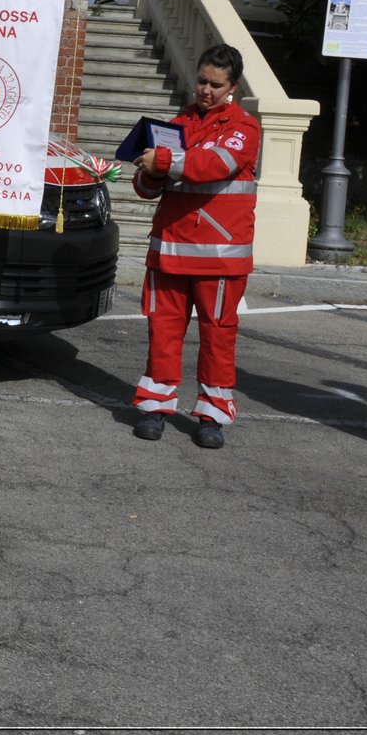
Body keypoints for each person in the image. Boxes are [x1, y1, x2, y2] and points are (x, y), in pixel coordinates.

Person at [130, 43, 259, 449]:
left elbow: (214, 166)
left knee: (218, 337)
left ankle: (212, 415)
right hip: (169, 250)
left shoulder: (244, 127)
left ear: (232, 86)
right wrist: (148, 173)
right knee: (162, 332)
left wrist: (163, 162)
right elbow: (146, 186)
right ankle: (155, 406)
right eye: (201, 81)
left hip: (219, 258)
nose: (205, 90)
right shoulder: (177, 123)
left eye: (215, 85)